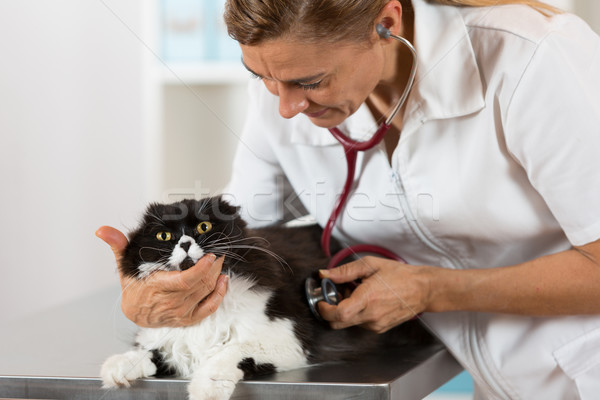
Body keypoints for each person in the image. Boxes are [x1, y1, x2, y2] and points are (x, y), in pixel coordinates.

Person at [97, 0, 600, 398]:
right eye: (262, 78)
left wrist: (433, 290)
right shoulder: (281, 89)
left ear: (385, 23)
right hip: (500, 383)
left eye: (311, 82)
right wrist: (149, 289)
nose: (286, 107)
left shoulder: (533, 58)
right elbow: (241, 236)